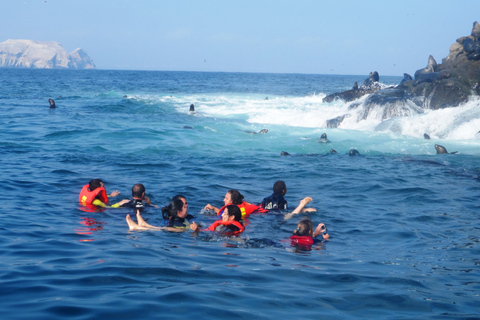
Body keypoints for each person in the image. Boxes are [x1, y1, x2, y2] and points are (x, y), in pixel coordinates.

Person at [126, 196, 194, 232]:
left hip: (168, 225)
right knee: (182, 230)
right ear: (178, 212)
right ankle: (138, 227)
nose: (187, 207)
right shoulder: (178, 223)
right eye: (184, 206)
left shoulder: (170, 218)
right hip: (172, 228)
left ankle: (143, 224)